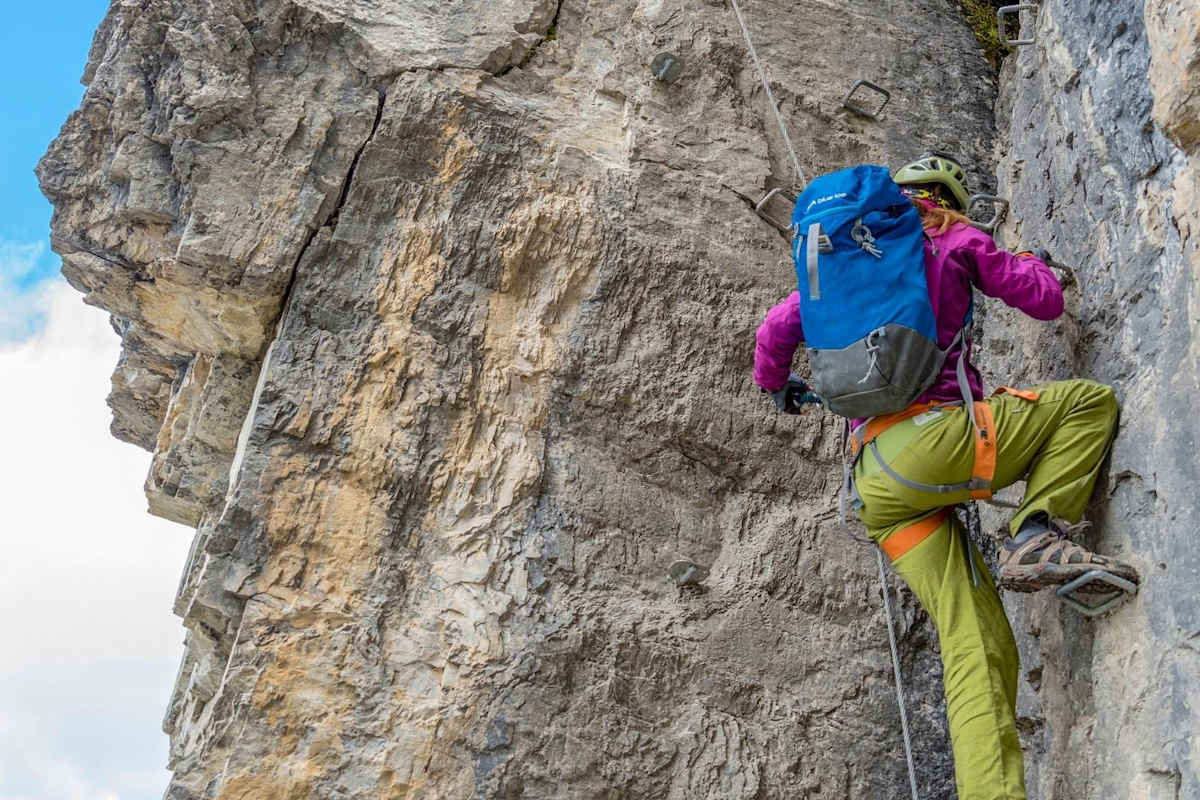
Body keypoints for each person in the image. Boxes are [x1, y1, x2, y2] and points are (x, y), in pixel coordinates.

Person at [752, 152, 1139, 800]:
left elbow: (775, 331)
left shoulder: (848, 268)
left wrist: (780, 388)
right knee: (1086, 404)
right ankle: (1035, 531)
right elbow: (1041, 301)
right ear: (947, 198)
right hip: (938, 444)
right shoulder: (954, 236)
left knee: (976, 641)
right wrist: (1039, 266)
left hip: (876, 487)